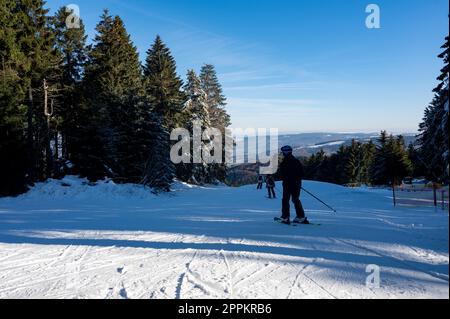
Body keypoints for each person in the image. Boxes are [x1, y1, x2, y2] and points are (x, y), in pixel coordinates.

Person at [278, 145, 309, 224]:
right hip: (296, 183)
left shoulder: (284, 162)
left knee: (285, 200)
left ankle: (285, 217)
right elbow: (302, 173)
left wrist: (288, 179)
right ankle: (300, 216)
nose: (282, 153)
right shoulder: (296, 161)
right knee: (295, 199)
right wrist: (296, 180)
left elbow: (283, 174)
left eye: (283, 152)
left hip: (287, 184)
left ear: (285, 152)